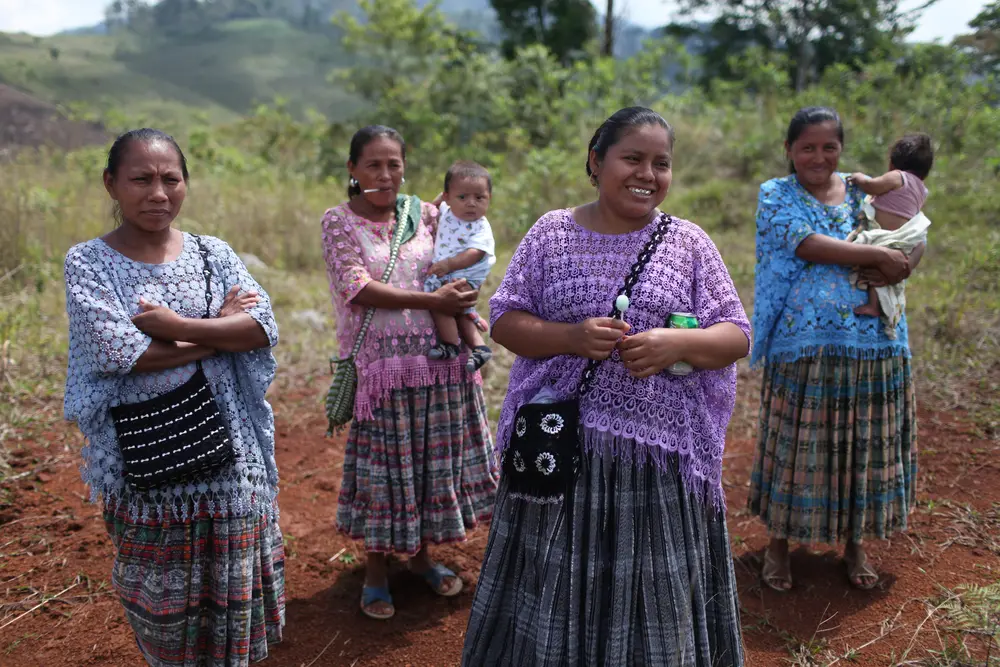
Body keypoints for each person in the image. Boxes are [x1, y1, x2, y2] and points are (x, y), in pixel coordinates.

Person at [461, 107, 750, 666]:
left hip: (657, 467)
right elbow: (505, 321)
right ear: (597, 161)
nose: (648, 174)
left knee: (653, 607)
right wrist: (570, 336)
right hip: (561, 459)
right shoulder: (552, 233)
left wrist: (677, 344)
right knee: (553, 595)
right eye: (633, 158)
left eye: (661, 163)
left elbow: (735, 334)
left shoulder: (688, 243)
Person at [63, 128, 285, 665]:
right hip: (149, 457)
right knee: (164, 607)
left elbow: (261, 327)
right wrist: (215, 329)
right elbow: (124, 354)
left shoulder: (215, 252)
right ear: (111, 184)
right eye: (141, 179)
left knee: (232, 600)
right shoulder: (88, 263)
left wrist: (173, 328)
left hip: (232, 458)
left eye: (171, 179)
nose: (158, 193)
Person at [320, 125, 500, 621]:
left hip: (441, 364)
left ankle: (421, 559)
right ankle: (376, 572)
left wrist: (464, 295)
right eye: (372, 165)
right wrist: (434, 299)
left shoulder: (426, 214)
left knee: (429, 468)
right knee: (386, 473)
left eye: (393, 164)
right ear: (352, 170)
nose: (384, 174)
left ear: (405, 168)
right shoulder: (338, 222)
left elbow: (472, 240)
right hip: (383, 373)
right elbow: (358, 287)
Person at [748, 107, 921, 592]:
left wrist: (905, 261)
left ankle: (856, 545)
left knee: (860, 445)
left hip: (874, 342)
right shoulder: (776, 193)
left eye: (829, 147)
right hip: (803, 344)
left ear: (841, 148)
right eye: (807, 147)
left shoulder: (868, 188)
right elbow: (806, 244)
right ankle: (779, 545)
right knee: (797, 445)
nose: (818, 157)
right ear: (789, 150)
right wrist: (878, 256)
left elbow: (912, 226)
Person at [847, 134, 933, 336]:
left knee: (869, 261)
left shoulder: (897, 177)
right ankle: (879, 306)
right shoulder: (923, 190)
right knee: (885, 274)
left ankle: (873, 304)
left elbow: (872, 186)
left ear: (892, 163)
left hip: (883, 235)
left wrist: (859, 177)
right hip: (906, 239)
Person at [425, 160, 496, 372]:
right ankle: (478, 347)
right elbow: (432, 206)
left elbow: (475, 253)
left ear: (489, 199)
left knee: (446, 305)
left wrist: (449, 264)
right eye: (463, 197)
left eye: (479, 197)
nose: (471, 203)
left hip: (466, 274)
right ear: (447, 197)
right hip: (448, 275)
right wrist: (439, 200)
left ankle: (450, 344)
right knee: (455, 310)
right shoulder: (447, 210)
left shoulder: (480, 226)